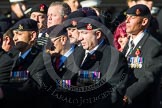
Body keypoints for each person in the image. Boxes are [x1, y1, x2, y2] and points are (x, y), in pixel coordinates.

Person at [69, 16, 128, 107]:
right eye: (79, 33)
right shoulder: (77, 52)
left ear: (98, 34)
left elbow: (113, 93)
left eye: (84, 33)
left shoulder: (114, 57)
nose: (80, 38)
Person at [0, 18, 50, 108]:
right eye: (14, 34)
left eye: (19, 34)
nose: (15, 38)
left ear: (32, 36)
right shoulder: (12, 56)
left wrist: (3, 91)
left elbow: (35, 88)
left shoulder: (41, 59)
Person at [122, 4, 162, 108]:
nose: (127, 21)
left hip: (141, 102)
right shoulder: (128, 45)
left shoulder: (154, 46)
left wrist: (128, 94)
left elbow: (150, 77)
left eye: (132, 18)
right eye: (127, 17)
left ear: (144, 22)